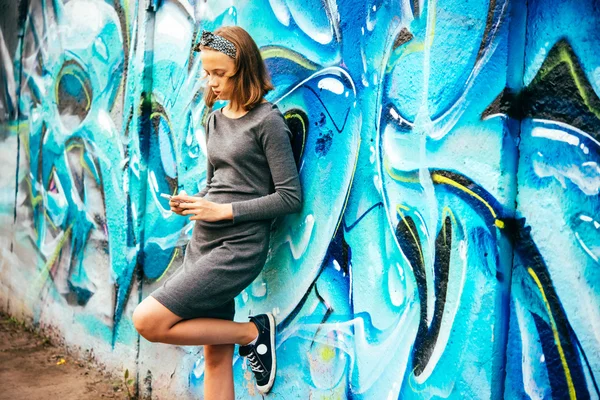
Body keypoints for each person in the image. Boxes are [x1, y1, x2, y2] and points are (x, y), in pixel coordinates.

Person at [132, 26, 302, 398]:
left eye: (220, 74)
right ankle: (246, 336)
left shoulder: (268, 122)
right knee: (216, 358)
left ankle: (253, 333)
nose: (212, 83)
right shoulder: (215, 120)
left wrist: (223, 212)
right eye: (207, 73)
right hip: (203, 243)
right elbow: (217, 183)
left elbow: (290, 198)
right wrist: (195, 202)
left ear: (244, 70)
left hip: (237, 249)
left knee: (147, 320)